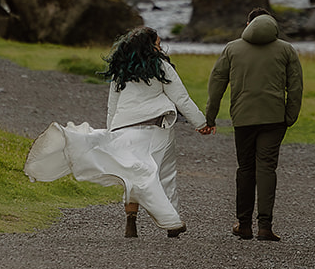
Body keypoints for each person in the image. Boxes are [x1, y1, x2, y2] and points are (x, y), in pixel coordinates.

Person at [24, 26, 211, 238]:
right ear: (149, 46)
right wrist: (201, 123)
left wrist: (111, 131)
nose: (160, 48)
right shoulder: (161, 66)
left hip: (124, 127)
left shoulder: (121, 70)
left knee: (131, 172)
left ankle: (131, 222)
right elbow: (182, 99)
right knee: (162, 173)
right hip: (156, 128)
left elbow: (112, 106)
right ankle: (172, 222)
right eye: (157, 44)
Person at [203, 7, 303, 242]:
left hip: (243, 118)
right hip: (274, 118)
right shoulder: (287, 50)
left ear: (248, 24)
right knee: (267, 168)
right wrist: (290, 116)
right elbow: (295, 87)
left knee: (245, 168)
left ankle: (244, 224)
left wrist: (210, 117)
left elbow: (216, 83)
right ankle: (265, 227)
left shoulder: (232, 48)